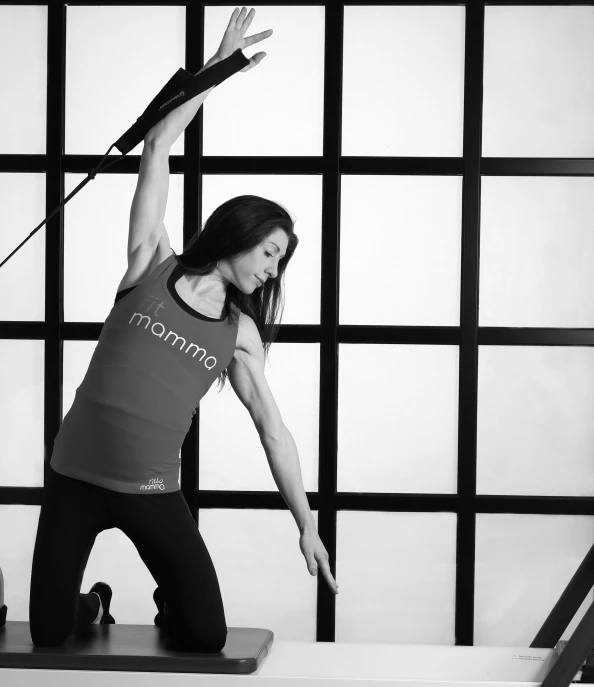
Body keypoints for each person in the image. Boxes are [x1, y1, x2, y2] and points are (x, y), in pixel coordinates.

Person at [28, 7, 293, 652]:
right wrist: (219, 69)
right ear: (242, 235)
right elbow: (157, 143)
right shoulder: (152, 261)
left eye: (281, 262)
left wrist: (306, 522)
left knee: (204, 635)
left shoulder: (239, 333)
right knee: (49, 633)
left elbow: (272, 427)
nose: (273, 269)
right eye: (270, 252)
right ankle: (92, 605)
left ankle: (166, 593)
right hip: (75, 476)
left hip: (152, 490)